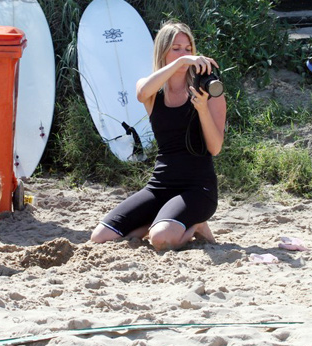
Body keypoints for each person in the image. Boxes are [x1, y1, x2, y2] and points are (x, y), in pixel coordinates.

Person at [91, 21, 227, 250]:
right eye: (176, 48)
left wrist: (202, 109)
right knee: (100, 237)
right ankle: (160, 223)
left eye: (188, 49)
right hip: (160, 185)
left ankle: (197, 225)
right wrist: (182, 62)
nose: (184, 54)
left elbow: (215, 148)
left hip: (198, 187)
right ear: (162, 51)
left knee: (161, 239)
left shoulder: (209, 91)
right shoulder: (152, 92)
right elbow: (142, 92)